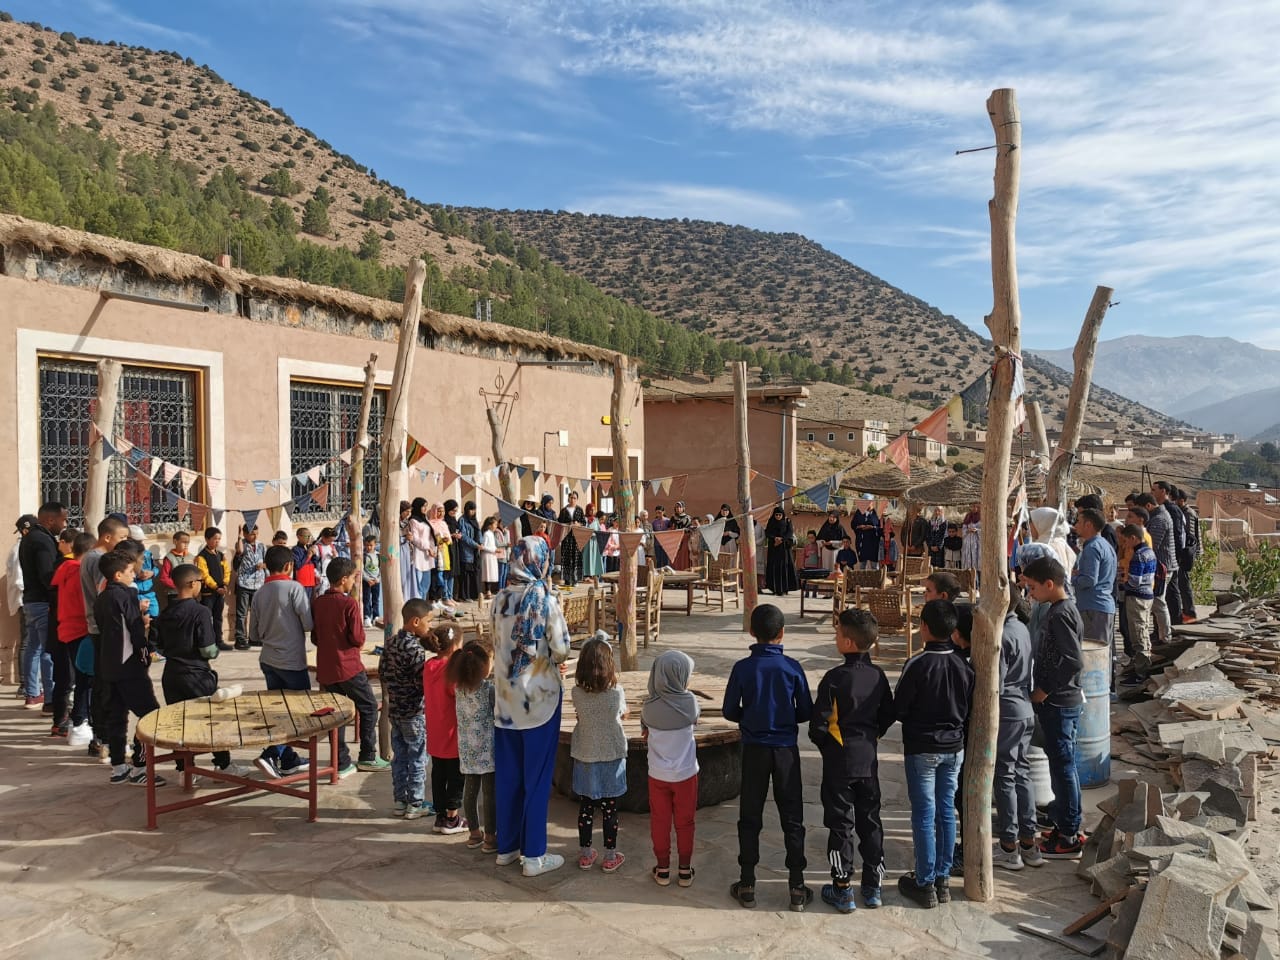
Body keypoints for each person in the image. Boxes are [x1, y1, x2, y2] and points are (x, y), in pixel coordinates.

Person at [723, 603, 813, 912]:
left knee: (750, 816)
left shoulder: (743, 668)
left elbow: (729, 711)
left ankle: (747, 882)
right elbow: (805, 711)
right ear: (782, 633)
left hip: (754, 749)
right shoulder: (792, 667)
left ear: (751, 632)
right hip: (786, 749)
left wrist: (751, 716)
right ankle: (797, 886)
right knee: (793, 818)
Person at [492, 536, 571, 877]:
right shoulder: (545, 600)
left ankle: (507, 848)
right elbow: (562, 647)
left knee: (508, 777)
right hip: (539, 702)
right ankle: (534, 855)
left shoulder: (498, 600)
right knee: (536, 780)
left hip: (505, 704)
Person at [809, 608, 894, 913]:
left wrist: (828, 747)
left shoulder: (834, 678)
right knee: (870, 821)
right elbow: (888, 714)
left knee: (840, 824)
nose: (835, 637)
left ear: (846, 642)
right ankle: (872, 887)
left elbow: (817, 725)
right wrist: (872, 737)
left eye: (836, 633)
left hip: (839, 763)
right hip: (868, 760)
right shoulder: (878, 675)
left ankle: (842, 887)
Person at [894, 599, 972, 909]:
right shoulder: (965, 666)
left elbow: (899, 708)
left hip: (922, 748)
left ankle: (925, 881)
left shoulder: (917, 664)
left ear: (924, 628)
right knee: (945, 811)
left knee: (925, 815)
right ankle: (942, 878)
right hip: (953, 748)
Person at [154, 563, 253, 777]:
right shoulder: (200, 611)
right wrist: (214, 652)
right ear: (191, 584)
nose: (201, 585)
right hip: (196, 674)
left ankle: (185, 769)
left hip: (171, 674)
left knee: (179, 723)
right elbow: (208, 649)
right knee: (213, 719)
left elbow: (158, 644)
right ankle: (223, 764)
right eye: (199, 581)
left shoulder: (166, 612)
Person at [1022, 556, 1086, 859]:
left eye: (1032, 588)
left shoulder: (1061, 614)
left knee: (1063, 767)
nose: (1030, 593)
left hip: (1060, 702)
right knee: (1059, 765)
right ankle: (1063, 820)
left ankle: (1070, 832)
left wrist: (1044, 691)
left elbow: (1073, 661)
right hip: (1058, 701)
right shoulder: (1060, 609)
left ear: (1050, 584)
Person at [94, 550, 164, 785]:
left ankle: (118, 766)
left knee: (116, 717)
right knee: (151, 715)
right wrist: (145, 655)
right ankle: (140, 766)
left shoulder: (102, 597)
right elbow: (134, 631)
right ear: (117, 575)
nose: (133, 574)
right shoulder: (125, 596)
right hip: (129, 667)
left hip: (108, 665)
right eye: (129, 571)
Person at [312, 557, 387, 776]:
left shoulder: (318, 602)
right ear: (344, 579)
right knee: (369, 707)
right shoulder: (349, 604)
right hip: (348, 665)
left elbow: (316, 637)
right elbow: (357, 638)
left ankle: (341, 760)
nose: (355, 581)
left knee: (338, 712)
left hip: (326, 666)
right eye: (354, 577)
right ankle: (367, 755)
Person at [250, 545, 314, 778]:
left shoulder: (259, 593)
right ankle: (271, 752)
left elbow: (254, 635)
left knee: (279, 711)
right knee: (298, 712)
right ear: (289, 566)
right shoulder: (294, 588)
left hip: (268, 659)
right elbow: (308, 624)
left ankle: (288, 758)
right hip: (292, 660)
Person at [991, 586, 1043, 871]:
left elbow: (994, 684)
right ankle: (1028, 841)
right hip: (1024, 707)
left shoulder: (1003, 634)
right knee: (1021, 772)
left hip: (1009, 709)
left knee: (1006, 775)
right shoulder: (1021, 627)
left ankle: (1010, 845)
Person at [642, 649, 700, 890]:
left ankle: (663, 868)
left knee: (660, 821)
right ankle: (685, 870)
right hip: (686, 775)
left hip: (657, 775)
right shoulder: (691, 704)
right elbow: (695, 720)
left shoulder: (648, 708)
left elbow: (645, 734)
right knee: (685, 822)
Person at [571, 634, 628, 873]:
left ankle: (586, 854)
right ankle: (610, 856)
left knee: (586, 807)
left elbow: (581, 716)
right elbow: (622, 714)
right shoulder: (616, 693)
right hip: (611, 755)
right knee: (609, 808)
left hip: (585, 754)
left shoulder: (576, 693)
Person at [79, 515, 130, 759]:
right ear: (107, 537)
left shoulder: (89, 557)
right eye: (121, 538)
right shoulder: (101, 561)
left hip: (96, 628)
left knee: (101, 684)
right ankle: (106, 738)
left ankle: (100, 738)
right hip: (105, 630)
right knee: (107, 687)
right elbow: (107, 595)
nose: (122, 543)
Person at [380, 598, 436, 819]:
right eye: (427, 621)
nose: (429, 626)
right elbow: (420, 683)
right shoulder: (415, 650)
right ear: (415, 621)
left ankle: (400, 801)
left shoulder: (391, 642)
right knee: (418, 757)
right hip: (414, 712)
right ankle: (416, 802)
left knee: (400, 757)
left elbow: (383, 673)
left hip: (395, 711)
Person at [18, 501, 67, 709]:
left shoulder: (30, 538)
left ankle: (32, 693)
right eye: (63, 519)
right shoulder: (42, 541)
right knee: (49, 651)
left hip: (31, 600)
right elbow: (48, 576)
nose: (64, 524)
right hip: (42, 601)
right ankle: (50, 699)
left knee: (33, 649)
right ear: (50, 519)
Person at [450, 640, 497, 852]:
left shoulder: (459, 689)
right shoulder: (488, 689)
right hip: (487, 749)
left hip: (467, 749)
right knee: (489, 794)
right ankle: (490, 837)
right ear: (483, 666)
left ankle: (474, 833)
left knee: (469, 792)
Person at [424, 623, 469, 834]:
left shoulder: (429, 665)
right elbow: (459, 694)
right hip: (453, 733)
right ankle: (452, 817)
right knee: (456, 777)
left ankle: (441, 815)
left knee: (438, 775)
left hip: (435, 732)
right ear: (454, 646)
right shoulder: (451, 669)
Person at [50, 531, 95, 740]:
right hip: (80, 629)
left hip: (67, 628)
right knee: (85, 679)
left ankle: (78, 721)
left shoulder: (65, 569)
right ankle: (80, 721)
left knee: (81, 678)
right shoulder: (78, 572)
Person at [1070, 508, 1117, 687]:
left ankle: (1098, 691)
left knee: (1094, 655)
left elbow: (1089, 580)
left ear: (1088, 524)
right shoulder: (1104, 545)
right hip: (1101, 606)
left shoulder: (1092, 548)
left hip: (1093, 608)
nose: (1076, 526)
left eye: (1079, 522)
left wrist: (1072, 578)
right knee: (1102, 652)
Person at [1118, 524, 1158, 683]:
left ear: (1133, 538)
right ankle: (1140, 668)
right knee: (1143, 631)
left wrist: (1122, 584)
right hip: (1147, 595)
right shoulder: (1150, 552)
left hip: (1137, 597)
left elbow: (1134, 582)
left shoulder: (1139, 556)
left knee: (1138, 635)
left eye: (1126, 541)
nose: (1125, 545)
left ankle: (1141, 674)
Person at [1138, 491, 1180, 634]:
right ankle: (1160, 633)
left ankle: (1165, 635)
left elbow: (1152, 545)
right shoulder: (1158, 516)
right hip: (1162, 565)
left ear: (1148, 506)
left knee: (1158, 602)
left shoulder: (1159, 519)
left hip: (1163, 567)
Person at [196, 527, 231, 652]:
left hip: (220, 592)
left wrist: (225, 584)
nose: (217, 541)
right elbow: (204, 575)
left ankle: (219, 640)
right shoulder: (202, 557)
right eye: (215, 539)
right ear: (207, 539)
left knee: (218, 617)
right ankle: (207, 642)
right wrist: (216, 587)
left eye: (219, 539)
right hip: (209, 592)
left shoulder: (220, 555)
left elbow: (226, 570)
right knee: (207, 617)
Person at [232, 524, 267, 651]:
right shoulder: (241, 544)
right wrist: (239, 537)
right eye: (252, 534)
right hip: (244, 583)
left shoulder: (261, 546)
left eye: (257, 533)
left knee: (257, 612)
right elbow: (237, 561)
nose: (255, 536)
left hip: (258, 583)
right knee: (242, 613)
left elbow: (267, 561)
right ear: (246, 534)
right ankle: (240, 638)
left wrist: (263, 565)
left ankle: (255, 637)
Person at [1175, 488, 1201, 623]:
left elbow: (1190, 537)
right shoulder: (1184, 512)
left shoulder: (1188, 514)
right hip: (1186, 553)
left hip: (1187, 554)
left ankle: (1189, 612)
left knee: (1184, 583)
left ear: (1181, 500)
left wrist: (1185, 554)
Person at [762, 506, 798, 597]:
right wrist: (775, 538)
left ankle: (785, 589)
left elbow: (789, 533)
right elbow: (767, 533)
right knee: (774, 568)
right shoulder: (771, 522)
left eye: (780, 515)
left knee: (784, 568)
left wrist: (781, 539)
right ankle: (774, 588)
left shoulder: (787, 522)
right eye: (776, 515)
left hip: (784, 549)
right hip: (774, 549)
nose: (778, 516)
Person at [128, 525, 160, 622]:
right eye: (138, 541)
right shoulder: (125, 556)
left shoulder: (147, 554)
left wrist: (152, 573)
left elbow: (155, 568)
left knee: (155, 618)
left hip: (149, 593)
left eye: (142, 541)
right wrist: (137, 575)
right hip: (134, 595)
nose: (141, 544)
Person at [158, 530, 193, 609]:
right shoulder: (169, 558)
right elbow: (164, 578)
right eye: (183, 542)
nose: (186, 545)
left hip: (189, 593)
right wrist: (178, 586)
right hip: (175, 594)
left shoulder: (191, 557)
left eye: (188, 543)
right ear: (175, 541)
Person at [456, 501, 482, 602]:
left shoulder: (474, 520)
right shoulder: (462, 520)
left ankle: (473, 594)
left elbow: (478, 532)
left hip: (475, 552)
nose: (472, 512)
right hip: (466, 551)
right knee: (465, 575)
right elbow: (464, 536)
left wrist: (481, 543)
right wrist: (475, 545)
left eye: (474, 509)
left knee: (473, 574)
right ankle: (464, 596)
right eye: (471, 509)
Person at [851, 500, 882, 570]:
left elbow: (881, 528)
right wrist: (859, 527)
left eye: (868, 502)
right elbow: (853, 525)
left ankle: (875, 580)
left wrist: (872, 527)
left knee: (874, 566)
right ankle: (862, 580)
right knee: (862, 566)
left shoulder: (877, 513)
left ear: (872, 503)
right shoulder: (859, 512)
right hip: (862, 542)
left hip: (873, 543)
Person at [291, 527, 319, 601]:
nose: (309, 538)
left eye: (310, 536)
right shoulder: (295, 550)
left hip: (311, 582)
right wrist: (308, 556)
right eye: (307, 536)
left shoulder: (309, 547)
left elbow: (316, 564)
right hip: (301, 583)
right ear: (298, 537)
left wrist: (314, 554)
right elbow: (298, 565)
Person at [312, 527, 340, 598]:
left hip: (330, 577)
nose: (331, 542)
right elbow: (313, 563)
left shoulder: (331, 546)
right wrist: (317, 575)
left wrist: (335, 556)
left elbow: (336, 561)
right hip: (321, 577)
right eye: (329, 540)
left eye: (332, 540)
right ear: (323, 537)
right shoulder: (316, 547)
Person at [581, 504, 605, 583]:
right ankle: (586, 575)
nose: (592, 511)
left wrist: (597, 534)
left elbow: (598, 530)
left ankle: (593, 574)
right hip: (587, 541)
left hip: (594, 542)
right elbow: (584, 529)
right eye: (591, 509)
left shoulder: (596, 520)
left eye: (593, 509)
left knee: (594, 558)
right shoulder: (585, 519)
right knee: (587, 558)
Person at [798, 530, 826, 598]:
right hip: (807, 566)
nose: (811, 539)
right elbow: (803, 556)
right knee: (807, 580)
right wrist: (802, 565)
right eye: (809, 537)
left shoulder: (818, 546)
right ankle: (807, 593)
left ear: (815, 537)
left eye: (812, 537)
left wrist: (819, 566)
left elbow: (819, 557)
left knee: (815, 581)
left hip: (815, 567)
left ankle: (814, 593)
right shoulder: (806, 546)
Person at [361, 535, 381, 627]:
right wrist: (367, 579)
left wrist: (377, 579)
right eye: (367, 545)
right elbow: (361, 569)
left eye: (371, 545)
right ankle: (367, 616)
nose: (368, 547)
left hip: (376, 580)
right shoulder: (363, 556)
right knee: (366, 599)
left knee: (375, 599)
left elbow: (381, 568)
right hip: (366, 581)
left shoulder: (378, 555)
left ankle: (376, 616)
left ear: (375, 545)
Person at [479, 515, 501, 598]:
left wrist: (496, 549)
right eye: (495, 524)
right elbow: (483, 546)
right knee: (487, 573)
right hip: (487, 556)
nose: (496, 526)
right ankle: (487, 591)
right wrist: (494, 550)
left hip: (491, 556)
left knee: (491, 573)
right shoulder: (486, 534)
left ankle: (489, 590)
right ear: (489, 525)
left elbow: (492, 545)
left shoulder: (491, 534)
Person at [960, 504, 981, 574]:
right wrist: (967, 530)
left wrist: (977, 530)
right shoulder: (967, 517)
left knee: (976, 560)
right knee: (967, 561)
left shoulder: (981, 517)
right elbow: (963, 529)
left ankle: (977, 580)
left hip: (977, 542)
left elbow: (984, 530)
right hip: (968, 542)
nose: (974, 508)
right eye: (972, 506)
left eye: (976, 506)